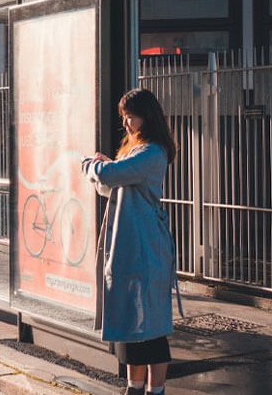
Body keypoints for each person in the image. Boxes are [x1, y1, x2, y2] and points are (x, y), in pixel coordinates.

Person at [81, 88, 181, 395]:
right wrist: (105, 168)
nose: (126, 123)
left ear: (146, 117)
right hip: (131, 245)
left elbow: (111, 176)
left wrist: (91, 165)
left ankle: (155, 390)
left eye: (130, 116)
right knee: (130, 322)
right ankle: (134, 388)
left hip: (145, 247)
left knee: (150, 326)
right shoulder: (138, 152)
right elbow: (113, 184)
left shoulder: (152, 152)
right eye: (124, 117)